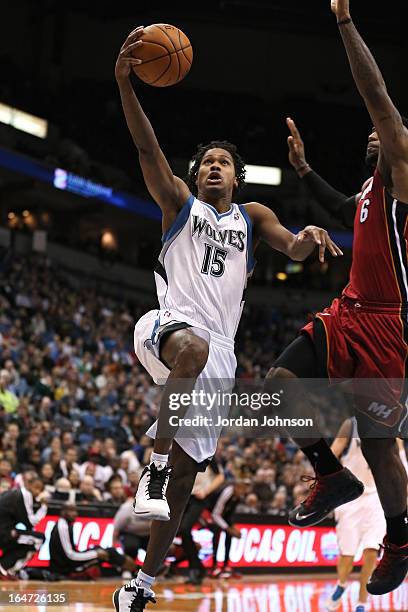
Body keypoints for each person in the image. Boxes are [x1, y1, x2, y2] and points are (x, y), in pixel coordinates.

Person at [113, 25, 342, 611]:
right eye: (206, 162)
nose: (215, 167)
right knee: (186, 355)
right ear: (195, 176)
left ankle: (141, 585)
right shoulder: (178, 205)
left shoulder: (253, 216)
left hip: (221, 354)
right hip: (169, 326)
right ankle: (155, 466)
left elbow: (292, 248)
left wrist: (310, 234)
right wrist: (126, 86)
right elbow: (146, 149)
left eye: (224, 163)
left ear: (236, 178)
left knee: (190, 482)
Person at [266, 0, 408, 596]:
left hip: (387, 325)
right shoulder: (372, 190)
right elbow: (341, 209)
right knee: (276, 385)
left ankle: (400, 539)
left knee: (379, 449)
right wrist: (301, 170)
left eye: (385, 129)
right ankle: (328, 473)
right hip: (347, 310)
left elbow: (375, 94)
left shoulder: (402, 174)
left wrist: (347, 24)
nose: (373, 131)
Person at [326, 418, 386, 612]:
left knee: (371, 552)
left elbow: (402, 462)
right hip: (350, 495)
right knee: (347, 554)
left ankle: (362, 602)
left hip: (377, 497)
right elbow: (334, 452)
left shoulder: (391, 426)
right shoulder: (351, 424)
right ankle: (342, 584)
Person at [49, 503, 136, 579]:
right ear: (63, 512)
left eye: (76, 511)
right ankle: (135, 570)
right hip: (65, 569)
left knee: (101, 549)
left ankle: (130, 570)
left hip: (69, 563)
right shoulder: (62, 527)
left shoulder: (65, 525)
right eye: (72, 511)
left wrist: (96, 552)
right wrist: (96, 554)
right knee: (109, 552)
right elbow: (70, 556)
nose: (75, 514)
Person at [178, 458, 224, 585]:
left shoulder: (208, 455)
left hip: (200, 499)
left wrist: (206, 491)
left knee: (185, 529)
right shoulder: (184, 454)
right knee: (181, 532)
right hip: (185, 497)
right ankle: (197, 567)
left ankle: (196, 568)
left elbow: (220, 477)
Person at [0, 471, 47, 578]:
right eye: (36, 487)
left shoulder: (14, 493)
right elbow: (30, 523)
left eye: (40, 489)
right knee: (39, 539)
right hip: (4, 532)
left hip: (6, 530)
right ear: (27, 485)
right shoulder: (25, 494)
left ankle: (5, 568)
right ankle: (6, 568)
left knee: (25, 540)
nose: (38, 492)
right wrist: (43, 507)